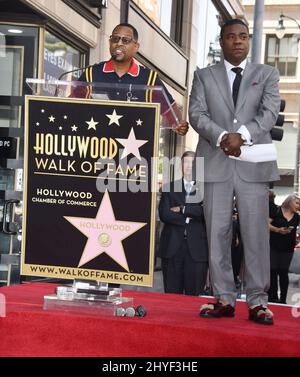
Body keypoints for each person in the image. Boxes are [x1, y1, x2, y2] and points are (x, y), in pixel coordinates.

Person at [189, 18, 281, 325]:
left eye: (243, 36)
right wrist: (221, 137)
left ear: (248, 40)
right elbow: (196, 114)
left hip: (253, 164)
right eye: (231, 36)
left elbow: (269, 113)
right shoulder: (203, 76)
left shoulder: (266, 73)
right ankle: (224, 298)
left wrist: (241, 135)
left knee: (255, 234)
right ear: (222, 41)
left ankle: (258, 302)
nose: (238, 41)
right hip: (216, 163)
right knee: (217, 233)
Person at [74, 23, 188, 136]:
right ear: (110, 43)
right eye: (115, 39)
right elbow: (69, 107)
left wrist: (179, 125)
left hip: (134, 149)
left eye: (125, 40)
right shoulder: (91, 74)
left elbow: (173, 114)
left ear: (136, 47)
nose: (118, 43)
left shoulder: (149, 79)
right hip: (97, 147)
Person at [158, 151, 208, 296]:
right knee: (172, 296)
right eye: (186, 162)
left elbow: (206, 214)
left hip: (197, 250)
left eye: (193, 163)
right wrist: (190, 216)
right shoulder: (168, 187)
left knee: (194, 297)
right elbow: (165, 214)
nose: (189, 166)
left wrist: (182, 209)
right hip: (172, 248)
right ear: (181, 165)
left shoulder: (207, 189)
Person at [268, 195, 300, 304]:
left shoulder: (297, 217)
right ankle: (272, 297)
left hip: (288, 248)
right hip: (273, 246)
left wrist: (297, 239)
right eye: (297, 203)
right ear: (289, 202)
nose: (298, 205)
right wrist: (278, 230)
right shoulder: (276, 211)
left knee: (283, 272)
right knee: (272, 271)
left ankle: (283, 299)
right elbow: (266, 224)